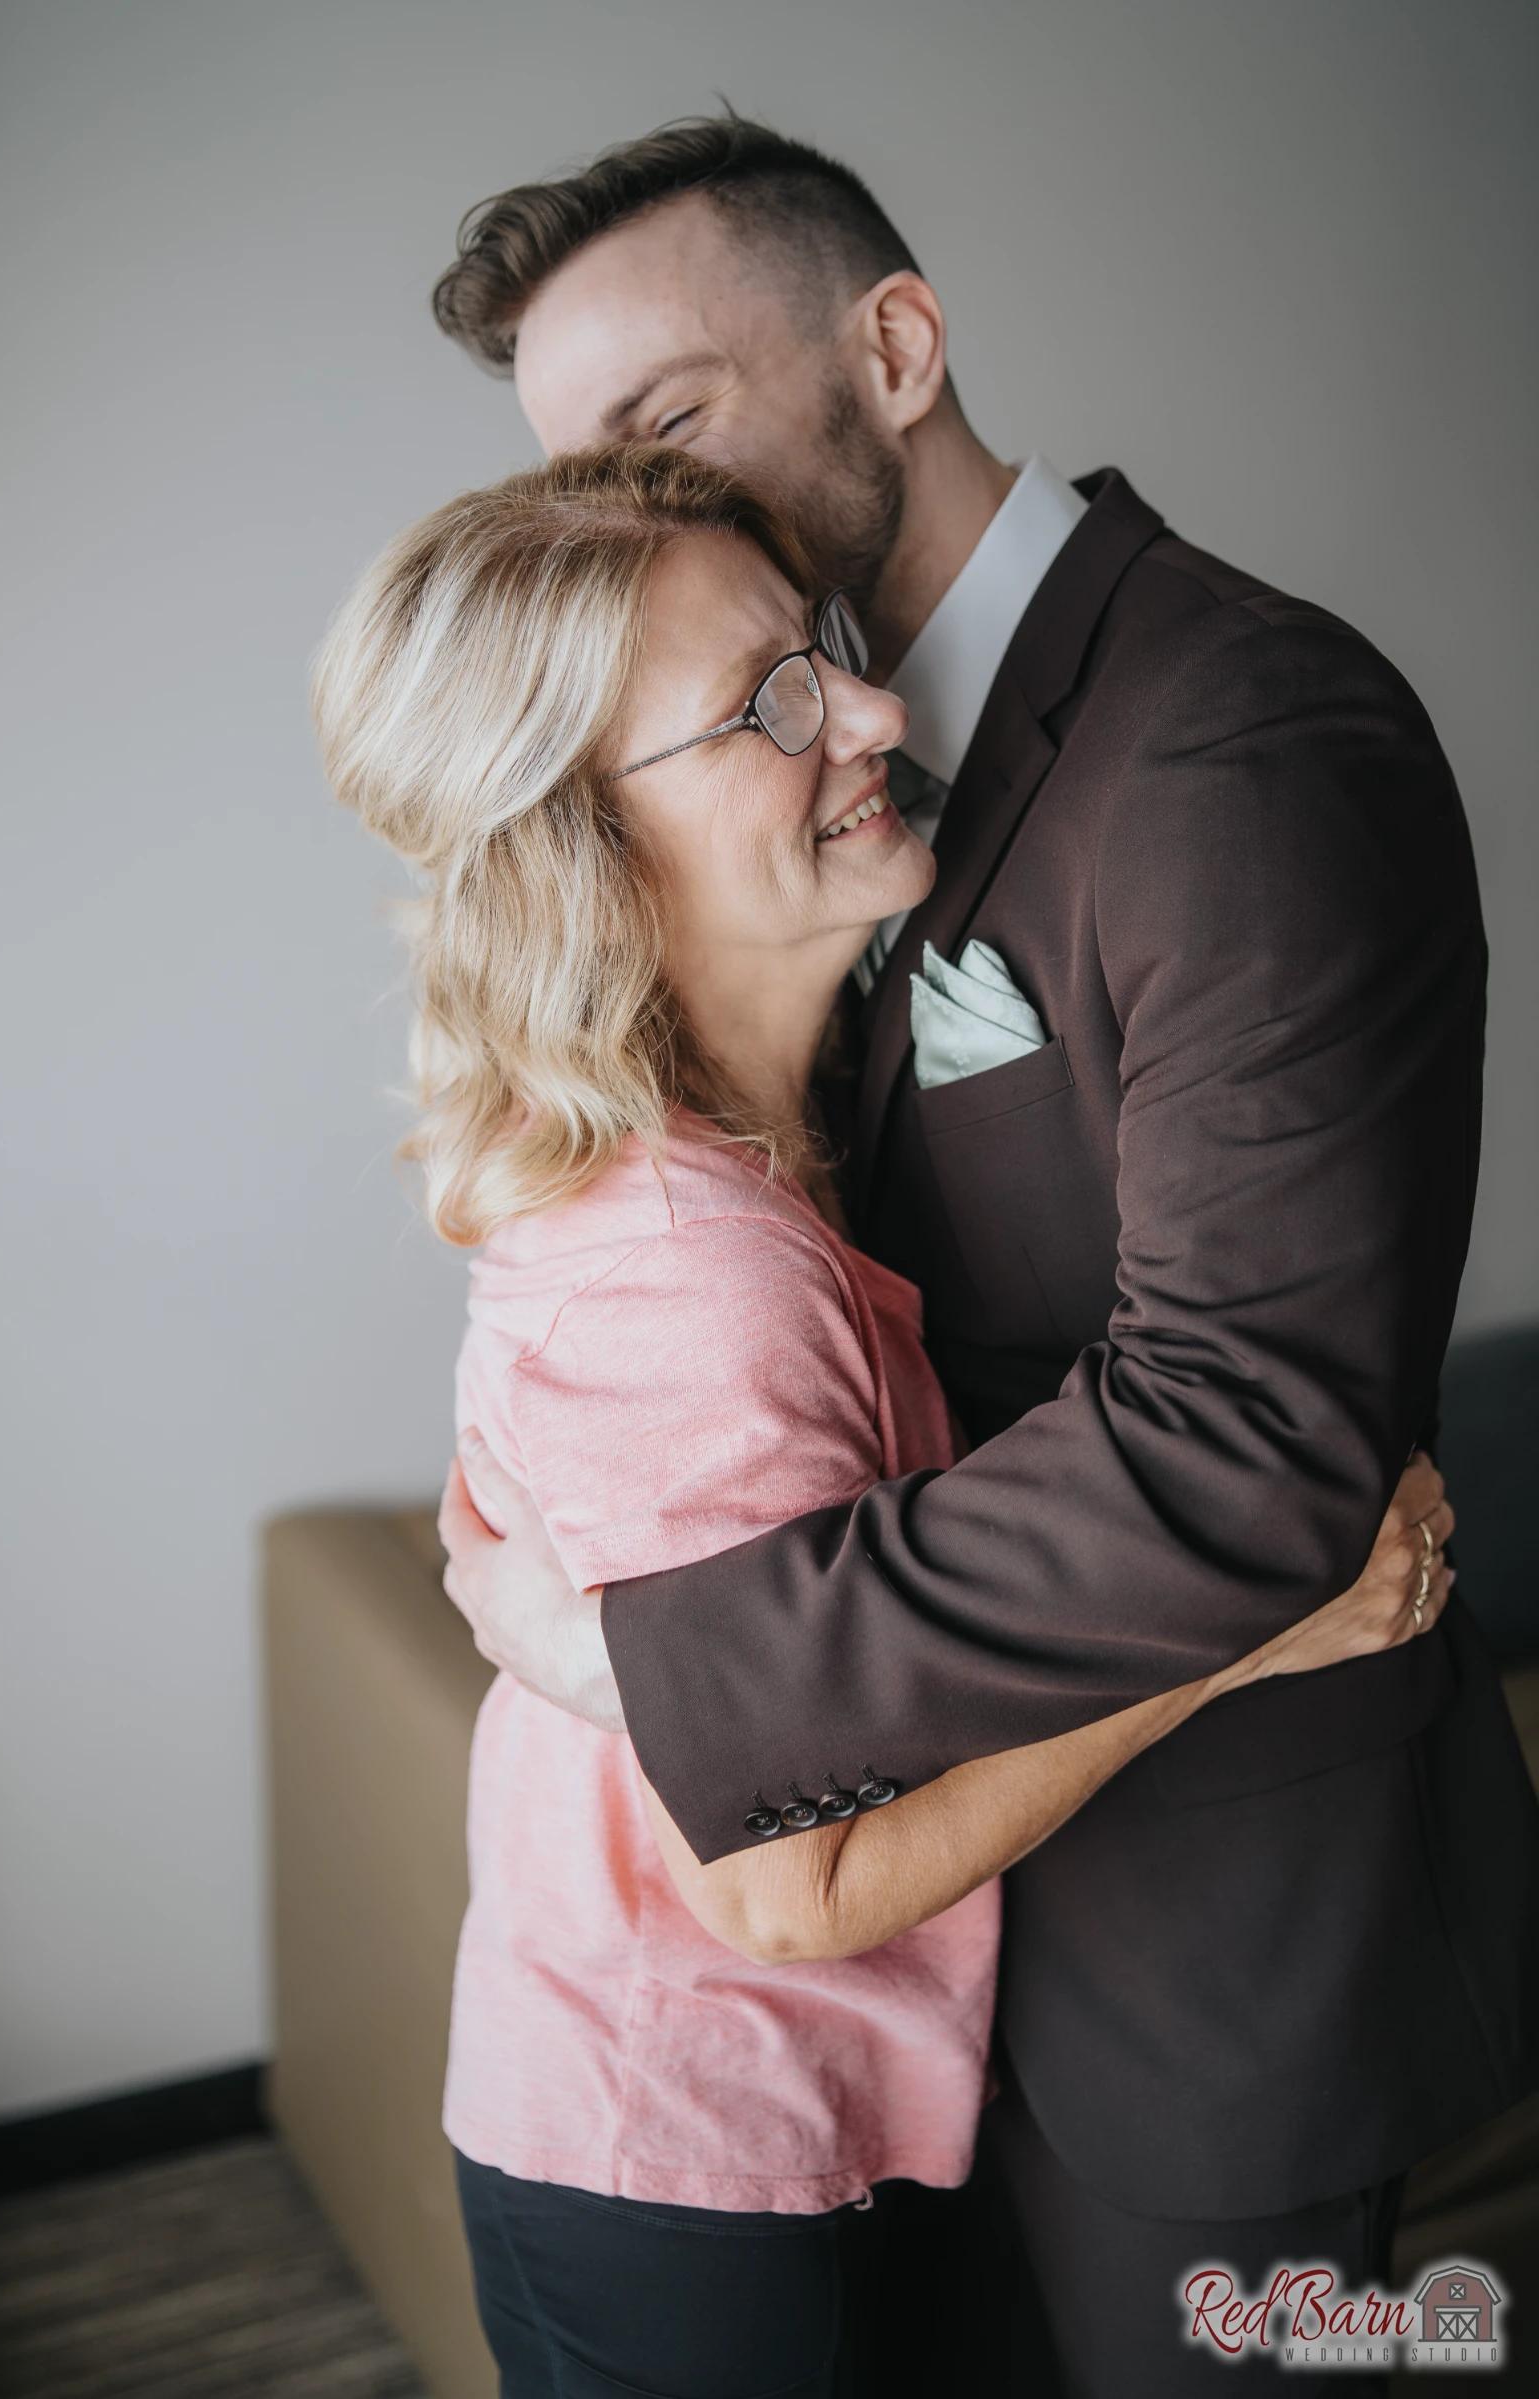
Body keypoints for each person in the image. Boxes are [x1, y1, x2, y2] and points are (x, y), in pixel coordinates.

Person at [428, 113, 1539, 2393]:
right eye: (583, 473)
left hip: (1205, 1959)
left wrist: (669, 1663)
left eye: (661, 428)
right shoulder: (786, 783)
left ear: (897, 347)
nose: (636, 514)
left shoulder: (1232, 733)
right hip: (907, 1968)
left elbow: (1245, 1431)